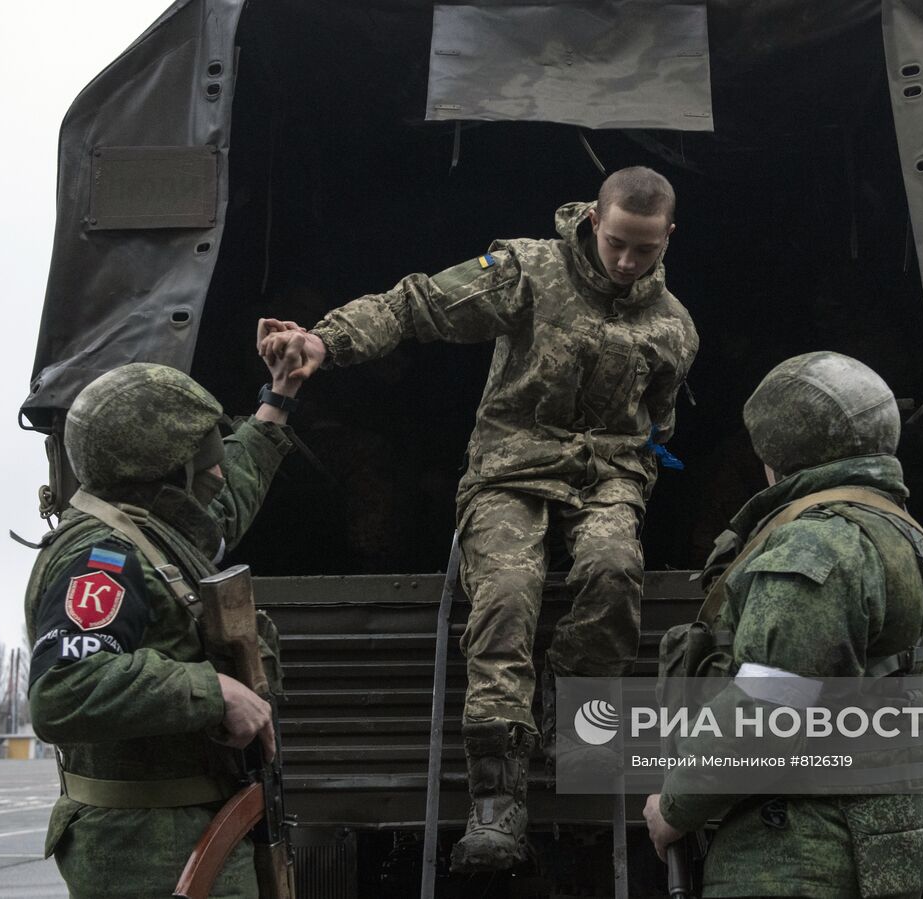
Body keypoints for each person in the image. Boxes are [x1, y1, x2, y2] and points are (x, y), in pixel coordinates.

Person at [259, 166, 698, 871]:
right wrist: (324, 342)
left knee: (616, 572)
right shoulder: (528, 271)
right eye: (616, 242)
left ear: (667, 238)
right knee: (503, 600)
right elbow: (418, 304)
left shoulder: (673, 326)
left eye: (643, 250)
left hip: (607, 476)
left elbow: (660, 424)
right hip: (510, 470)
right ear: (594, 219)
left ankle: (571, 705)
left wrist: (632, 471)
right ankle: (497, 798)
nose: (625, 261)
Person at [643, 351, 923, 898]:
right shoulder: (905, 533)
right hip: (878, 843)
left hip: (800, 851)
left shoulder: (819, 541)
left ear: (779, 449)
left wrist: (675, 807)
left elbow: (766, 708)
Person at [23, 329, 311, 899]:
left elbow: (225, 502)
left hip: (187, 836)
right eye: (203, 458)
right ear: (160, 467)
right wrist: (216, 692)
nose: (220, 471)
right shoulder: (103, 558)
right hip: (150, 854)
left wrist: (279, 396)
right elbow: (65, 687)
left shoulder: (155, 529)